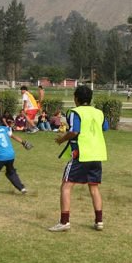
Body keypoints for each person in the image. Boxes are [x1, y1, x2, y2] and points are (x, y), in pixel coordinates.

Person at [49, 85, 108, 232]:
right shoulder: (99, 112)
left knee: (66, 186)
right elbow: (104, 127)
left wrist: (62, 139)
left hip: (81, 154)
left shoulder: (75, 112)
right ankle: (99, 221)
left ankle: (64, 222)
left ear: (76, 98)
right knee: (94, 187)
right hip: (97, 154)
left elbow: (75, 131)